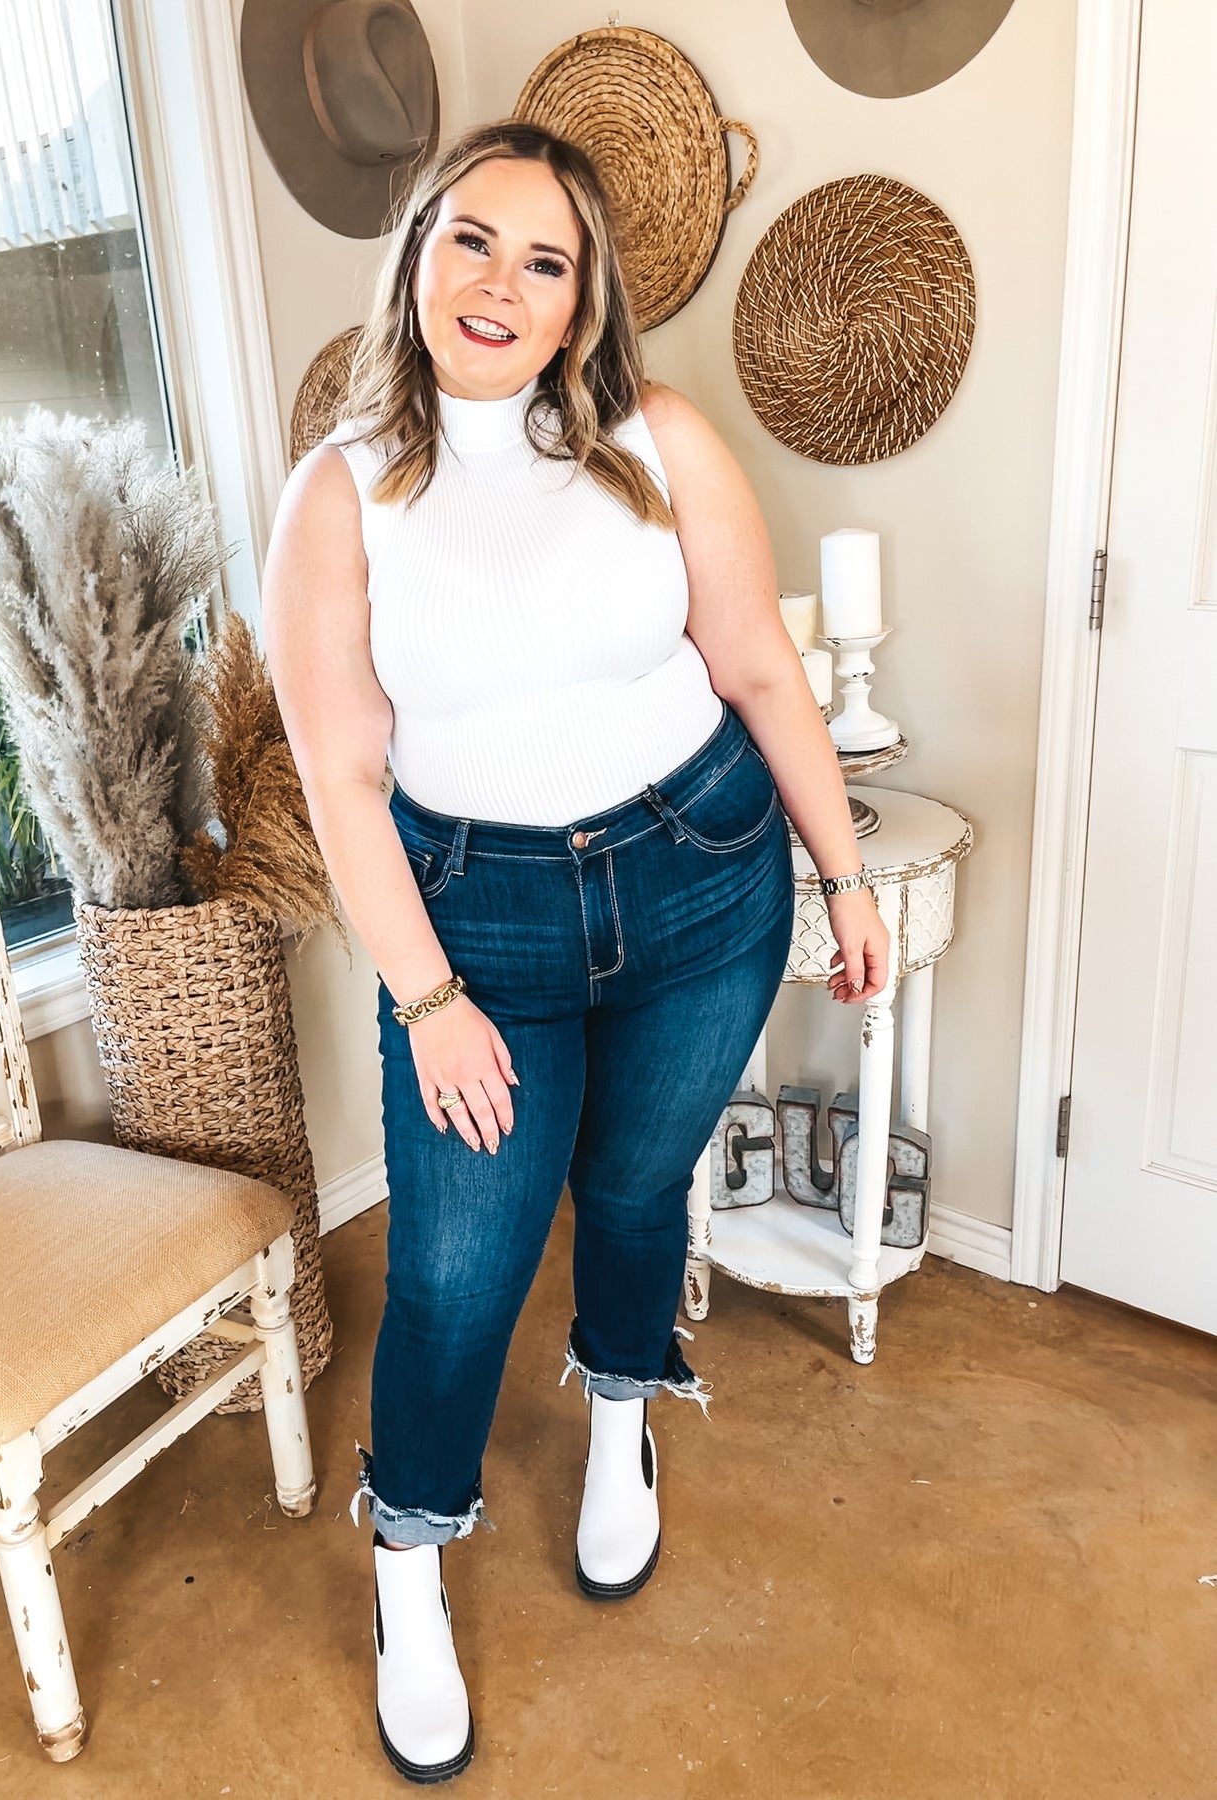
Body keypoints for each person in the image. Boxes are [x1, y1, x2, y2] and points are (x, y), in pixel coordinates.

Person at [263, 119, 889, 1786]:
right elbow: (341, 779)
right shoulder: (339, 495)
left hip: (701, 876)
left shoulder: (654, 439)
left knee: (628, 1191)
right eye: (471, 240)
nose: (500, 284)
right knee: (456, 1272)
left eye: (544, 262)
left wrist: (843, 875)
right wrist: (429, 999)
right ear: (417, 251)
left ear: (579, 300)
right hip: (477, 926)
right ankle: (408, 1563)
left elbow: (755, 668)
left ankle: (622, 1418)